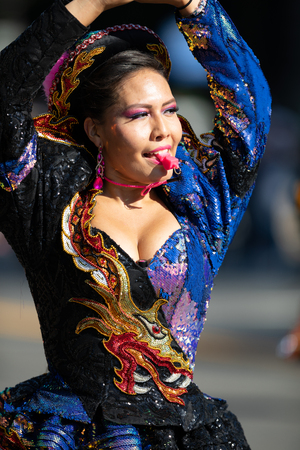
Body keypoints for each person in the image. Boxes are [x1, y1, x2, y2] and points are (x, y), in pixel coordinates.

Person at [0, 0, 271, 448]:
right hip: (69, 432)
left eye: (169, 109)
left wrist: (195, 6)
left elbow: (251, 110)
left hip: (188, 433)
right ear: (95, 130)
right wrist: (93, 2)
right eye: (139, 115)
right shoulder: (48, 199)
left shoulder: (202, 203)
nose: (164, 129)